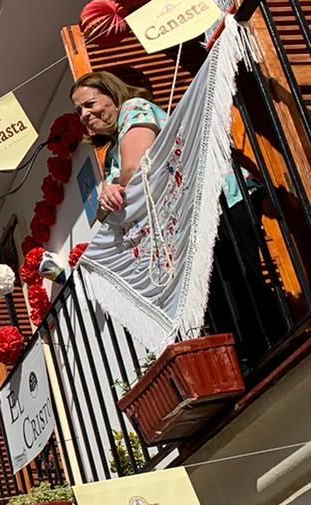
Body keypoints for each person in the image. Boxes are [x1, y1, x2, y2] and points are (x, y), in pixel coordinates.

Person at [71, 70, 282, 368]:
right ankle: (253, 355)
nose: (84, 114)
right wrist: (109, 190)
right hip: (195, 215)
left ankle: (270, 348)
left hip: (220, 200)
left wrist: (115, 185)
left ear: (114, 96)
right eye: (78, 109)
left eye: (90, 103)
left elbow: (137, 168)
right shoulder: (114, 148)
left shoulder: (135, 109)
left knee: (235, 278)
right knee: (220, 286)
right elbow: (110, 207)